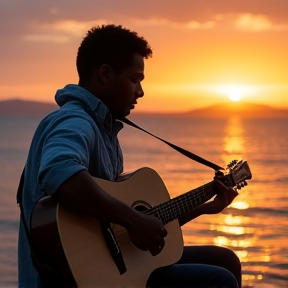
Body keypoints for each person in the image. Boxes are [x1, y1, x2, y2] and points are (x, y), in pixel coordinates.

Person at [18, 24, 241, 288]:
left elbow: (122, 230)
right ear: (105, 73)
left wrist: (205, 208)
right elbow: (59, 171)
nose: (140, 92)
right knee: (219, 280)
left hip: (112, 268)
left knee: (225, 258)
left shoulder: (106, 133)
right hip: (70, 280)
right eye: (135, 80)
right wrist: (134, 219)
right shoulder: (75, 120)